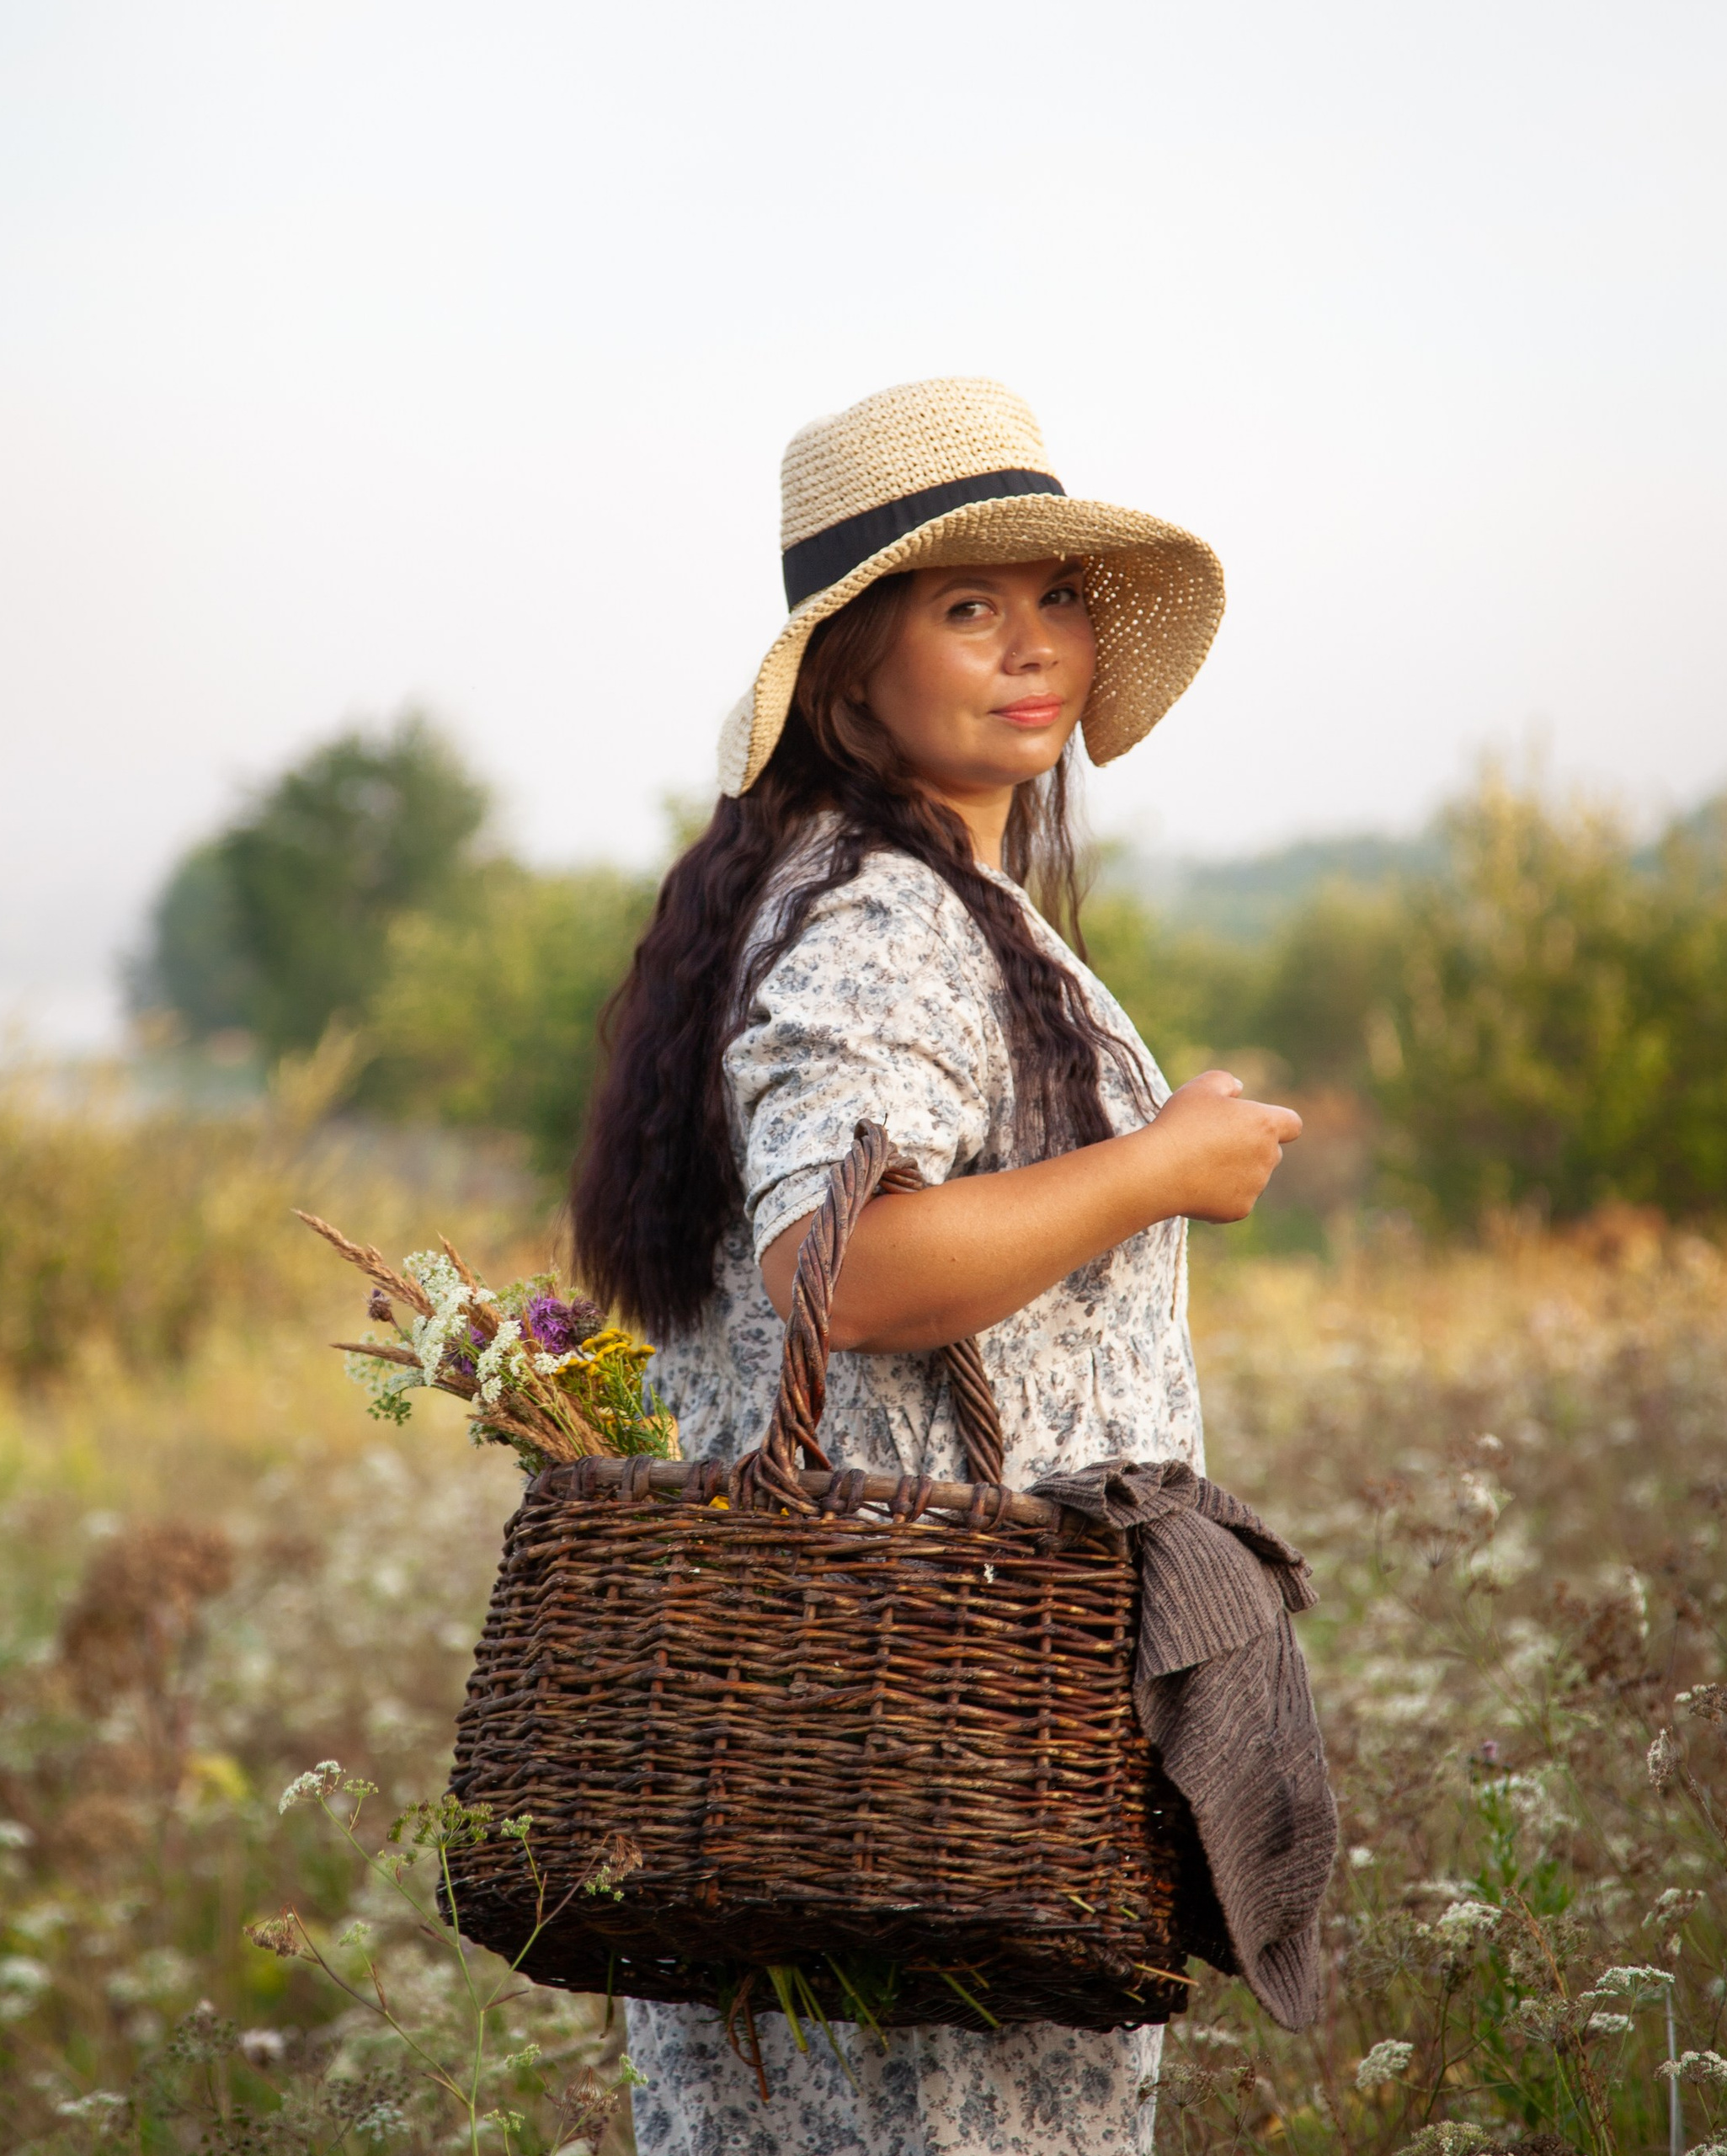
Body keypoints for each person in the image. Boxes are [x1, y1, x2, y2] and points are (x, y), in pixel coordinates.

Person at [571, 378, 1302, 2156]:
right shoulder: (883, 913)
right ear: (848, 671)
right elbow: (844, 1271)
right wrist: (1153, 1168)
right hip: (926, 1716)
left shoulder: (884, 890)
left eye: (1055, 597)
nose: (1033, 645)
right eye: (968, 606)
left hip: (852, 1717)